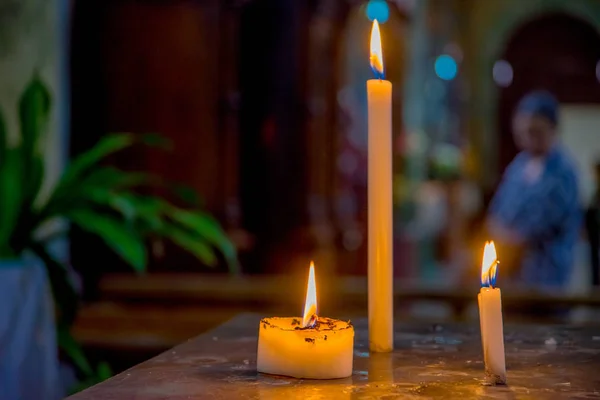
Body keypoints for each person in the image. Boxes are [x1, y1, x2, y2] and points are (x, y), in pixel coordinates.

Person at [487, 91, 581, 291]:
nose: (529, 139)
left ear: (552, 128)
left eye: (536, 132)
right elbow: (498, 209)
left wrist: (511, 237)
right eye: (524, 132)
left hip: (545, 277)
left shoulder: (563, 171)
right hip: (511, 275)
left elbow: (543, 222)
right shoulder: (518, 166)